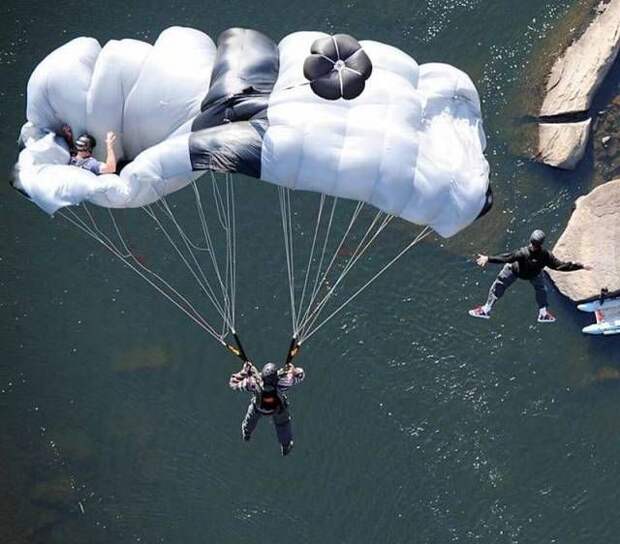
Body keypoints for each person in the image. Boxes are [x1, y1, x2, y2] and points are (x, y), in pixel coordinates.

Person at [469, 229, 592, 323]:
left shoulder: (523, 252)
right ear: (542, 243)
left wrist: (488, 258)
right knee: (541, 289)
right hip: (533, 275)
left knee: (500, 283)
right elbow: (561, 266)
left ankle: (486, 309)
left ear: (530, 240)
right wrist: (580, 266)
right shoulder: (546, 255)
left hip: (515, 271)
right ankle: (543, 313)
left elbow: (507, 257)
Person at [229, 360, 305, 456]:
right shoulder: (284, 383)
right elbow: (301, 375)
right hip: (277, 410)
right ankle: (286, 445)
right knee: (283, 425)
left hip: (258, 408)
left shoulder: (253, 383)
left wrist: (244, 371)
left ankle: (247, 433)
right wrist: (293, 371)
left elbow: (233, 383)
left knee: (250, 419)